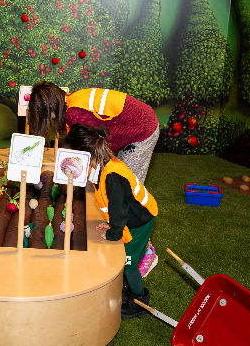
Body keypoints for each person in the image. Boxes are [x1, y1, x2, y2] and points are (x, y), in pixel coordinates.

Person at [65, 123, 158, 319]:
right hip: (129, 216)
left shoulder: (112, 177)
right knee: (125, 258)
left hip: (139, 221)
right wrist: (112, 223)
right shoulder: (101, 165)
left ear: (85, 153)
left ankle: (139, 300)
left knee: (129, 262)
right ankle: (127, 284)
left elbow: (120, 211)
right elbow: (115, 206)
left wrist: (113, 232)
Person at [27, 81, 159, 183]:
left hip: (143, 128)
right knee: (119, 175)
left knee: (127, 182)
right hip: (135, 125)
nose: (49, 119)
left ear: (50, 107)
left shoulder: (76, 113)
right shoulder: (73, 101)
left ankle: (132, 215)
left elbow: (95, 150)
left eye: (44, 115)